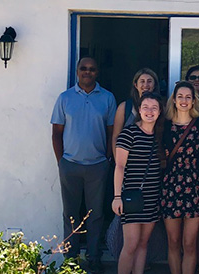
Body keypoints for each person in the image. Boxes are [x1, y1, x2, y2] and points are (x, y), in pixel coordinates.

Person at [51, 57, 117, 273]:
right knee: (70, 214)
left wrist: (107, 158)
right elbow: (56, 133)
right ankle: (70, 260)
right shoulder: (65, 98)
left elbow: (111, 133)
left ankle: (94, 257)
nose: (87, 72)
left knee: (96, 214)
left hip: (98, 166)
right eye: (83, 69)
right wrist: (61, 162)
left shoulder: (107, 98)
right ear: (77, 71)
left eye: (92, 69)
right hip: (70, 164)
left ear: (97, 72)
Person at [112, 92, 165, 274]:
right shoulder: (129, 133)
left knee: (143, 244)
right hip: (132, 199)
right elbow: (119, 166)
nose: (149, 111)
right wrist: (117, 197)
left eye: (154, 108)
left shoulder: (159, 137)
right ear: (139, 110)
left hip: (151, 199)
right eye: (145, 107)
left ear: (159, 112)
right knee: (131, 245)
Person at [161, 81, 199, 274]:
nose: (184, 100)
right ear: (174, 99)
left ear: (194, 100)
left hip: (194, 188)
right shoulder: (163, 127)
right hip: (170, 188)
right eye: (180, 96)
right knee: (173, 242)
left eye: (188, 97)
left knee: (189, 244)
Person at [112, 68, 160, 155]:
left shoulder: (161, 108)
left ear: (155, 85)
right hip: (128, 162)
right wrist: (119, 163)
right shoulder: (125, 107)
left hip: (152, 161)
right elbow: (116, 137)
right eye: (142, 81)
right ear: (135, 85)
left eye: (149, 81)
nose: (145, 85)